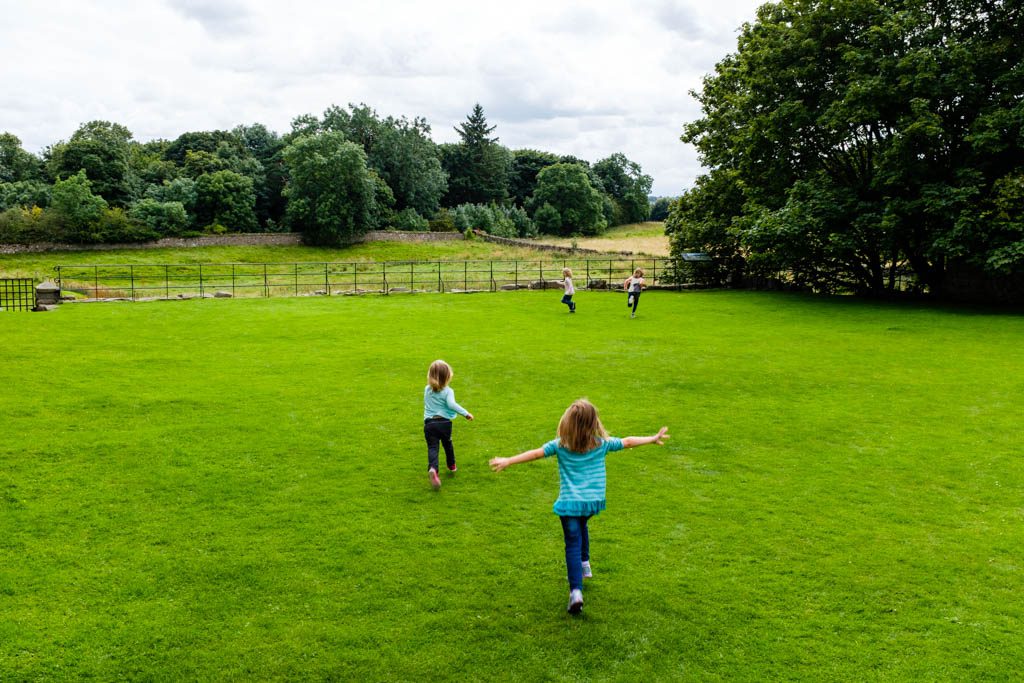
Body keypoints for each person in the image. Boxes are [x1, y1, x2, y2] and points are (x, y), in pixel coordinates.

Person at [489, 399, 669, 614]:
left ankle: (576, 591)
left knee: (572, 542)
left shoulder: (560, 445)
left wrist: (509, 460)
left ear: (567, 423)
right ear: (594, 423)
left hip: (569, 504)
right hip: (591, 503)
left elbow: (536, 453)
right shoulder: (601, 444)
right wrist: (652, 438)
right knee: (582, 525)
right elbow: (628, 441)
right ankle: (585, 564)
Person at [423, 360, 474, 490]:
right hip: (444, 423)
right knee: (447, 444)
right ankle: (451, 465)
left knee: (433, 448)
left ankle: (433, 469)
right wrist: (466, 413)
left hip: (429, 424)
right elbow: (451, 405)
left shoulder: (427, 389)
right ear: (447, 377)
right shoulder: (448, 391)